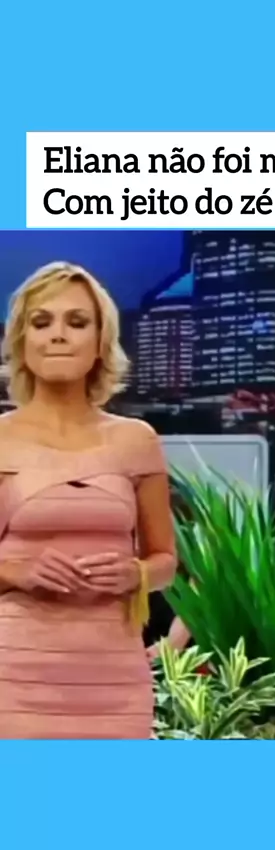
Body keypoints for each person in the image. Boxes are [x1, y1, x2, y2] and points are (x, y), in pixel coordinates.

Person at [0, 262, 177, 739]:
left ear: (100, 341)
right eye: (42, 322)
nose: (58, 334)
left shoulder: (137, 440)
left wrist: (136, 574)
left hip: (113, 676)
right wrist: (16, 571)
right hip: (16, 675)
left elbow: (165, 560)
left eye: (77, 322)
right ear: (22, 340)